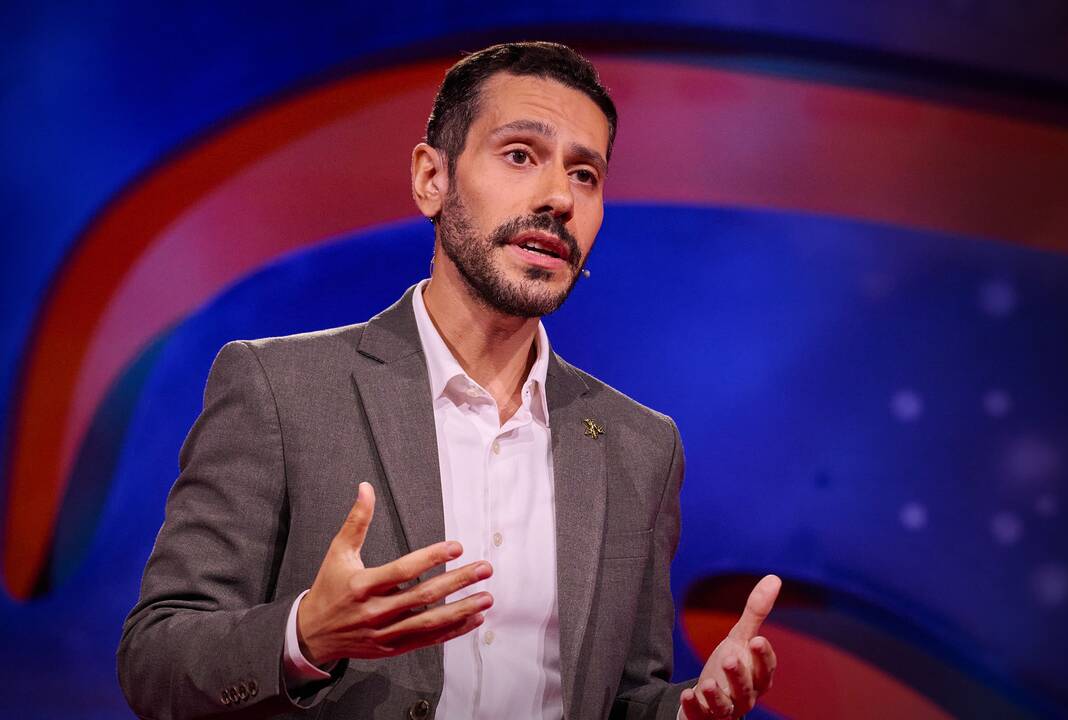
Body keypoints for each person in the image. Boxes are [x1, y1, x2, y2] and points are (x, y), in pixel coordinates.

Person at [118, 41, 779, 719]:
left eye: (585, 174)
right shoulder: (281, 390)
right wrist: (305, 636)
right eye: (520, 154)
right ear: (431, 179)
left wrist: (684, 711)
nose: (559, 197)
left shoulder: (640, 447)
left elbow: (624, 696)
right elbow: (156, 660)